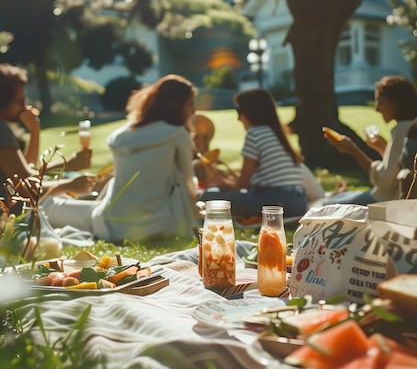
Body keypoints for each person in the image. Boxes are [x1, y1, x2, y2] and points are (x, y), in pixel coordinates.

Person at [43, 74, 201, 242]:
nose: (194, 110)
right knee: (62, 205)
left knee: (52, 206)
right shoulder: (177, 134)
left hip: (113, 222)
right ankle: (42, 204)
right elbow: (187, 180)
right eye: (190, 104)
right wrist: (196, 213)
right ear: (176, 106)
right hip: (156, 224)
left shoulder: (122, 136)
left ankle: (40, 205)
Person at [200, 88, 307, 219]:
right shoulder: (277, 134)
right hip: (299, 202)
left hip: (276, 201)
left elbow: (243, 185)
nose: (238, 118)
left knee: (209, 195)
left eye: (239, 112)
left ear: (251, 112)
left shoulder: (255, 134)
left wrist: (225, 184)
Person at [0, 63, 96, 205]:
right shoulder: (2, 131)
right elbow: (25, 188)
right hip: (15, 217)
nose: (24, 106)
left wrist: (34, 129)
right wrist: (69, 184)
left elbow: (26, 170)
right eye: (19, 101)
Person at [323, 75, 417, 205]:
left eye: (380, 101)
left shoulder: (402, 129)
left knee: (327, 205)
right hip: (385, 197)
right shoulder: (410, 126)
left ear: (396, 102)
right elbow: (396, 169)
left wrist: (353, 150)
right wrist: (381, 147)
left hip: (384, 202)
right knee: (335, 199)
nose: (377, 108)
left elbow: (384, 181)